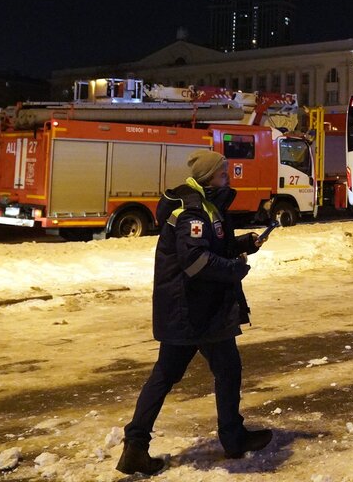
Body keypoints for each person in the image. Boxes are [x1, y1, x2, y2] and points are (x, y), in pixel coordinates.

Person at [117, 149, 273, 476]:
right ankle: (233, 438)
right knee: (226, 370)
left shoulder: (203, 206)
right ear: (208, 177)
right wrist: (234, 269)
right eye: (222, 173)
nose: (227, 177)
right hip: (194, 312)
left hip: (189, 309)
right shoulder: (192, 212)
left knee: (167, 375)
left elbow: (209, 249)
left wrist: (243, 243)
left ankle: (135, 448)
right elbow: (196, 262)